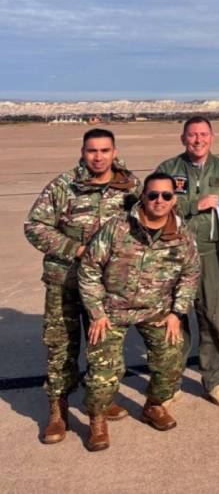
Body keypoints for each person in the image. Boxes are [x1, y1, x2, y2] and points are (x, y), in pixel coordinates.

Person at [24, 128, 140, 445]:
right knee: (61, 347)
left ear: (114, 151)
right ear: (83, 152)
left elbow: (146, 225)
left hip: (108, 287)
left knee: (104, 351)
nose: (98, 156)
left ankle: (98, 413)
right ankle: (58, 412)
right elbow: (34, 226)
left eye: (104, 150)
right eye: (92, 151)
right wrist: (75, 249)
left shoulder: (130, 187)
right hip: (65, 281)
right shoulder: (64, 186)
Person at [78, 172, 199, 451]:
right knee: (104, 371)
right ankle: (97, 418)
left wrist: (176, 314)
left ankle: (154, 405)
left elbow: (190, 275)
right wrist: (97, 312)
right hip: (112, 310)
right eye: (153, 195)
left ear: (173, 199)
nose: (159, 200)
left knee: (171, 358)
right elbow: (89, 268)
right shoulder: (118, 227)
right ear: (143, 196)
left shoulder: (183, 236)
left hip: (155, 310)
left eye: (166, 196)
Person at [156, 117, 219, 406]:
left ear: (212, 138)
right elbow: (154, 203)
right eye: (192, 135)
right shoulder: (168, 170)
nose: (198, 140)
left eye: (203, 135)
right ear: (183, 139)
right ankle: (170, 382)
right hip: (174, 256)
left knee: (212, 318)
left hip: (211, 253)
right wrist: (195, 205)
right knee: (173, 320)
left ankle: (213, 380)